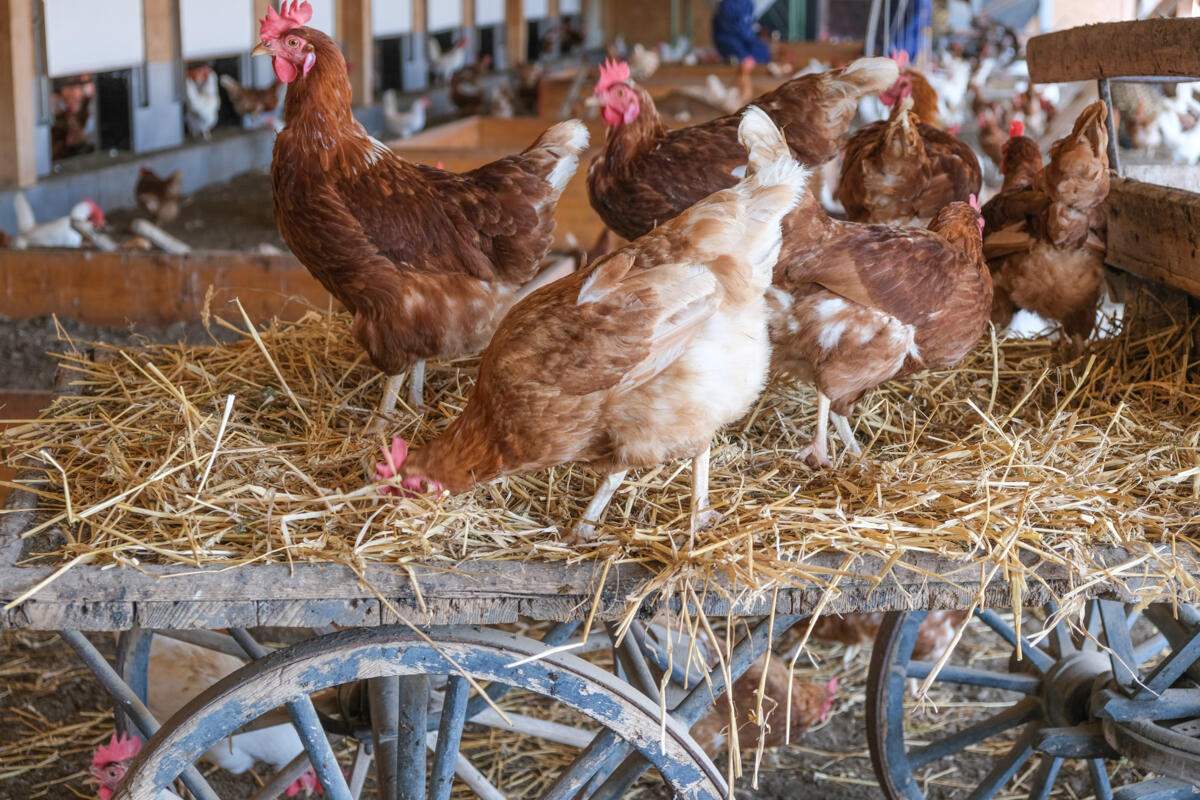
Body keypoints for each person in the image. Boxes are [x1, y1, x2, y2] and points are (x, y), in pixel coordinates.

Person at [712, 0, 770, 64]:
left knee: (761, 49)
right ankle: (744, 62)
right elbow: (728, 27)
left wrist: (752, 35)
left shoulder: (748, 4)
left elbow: (748, 23)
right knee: (738, 49)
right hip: (728, 37)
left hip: (745, 38)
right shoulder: (726, 5)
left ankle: (757, 64)